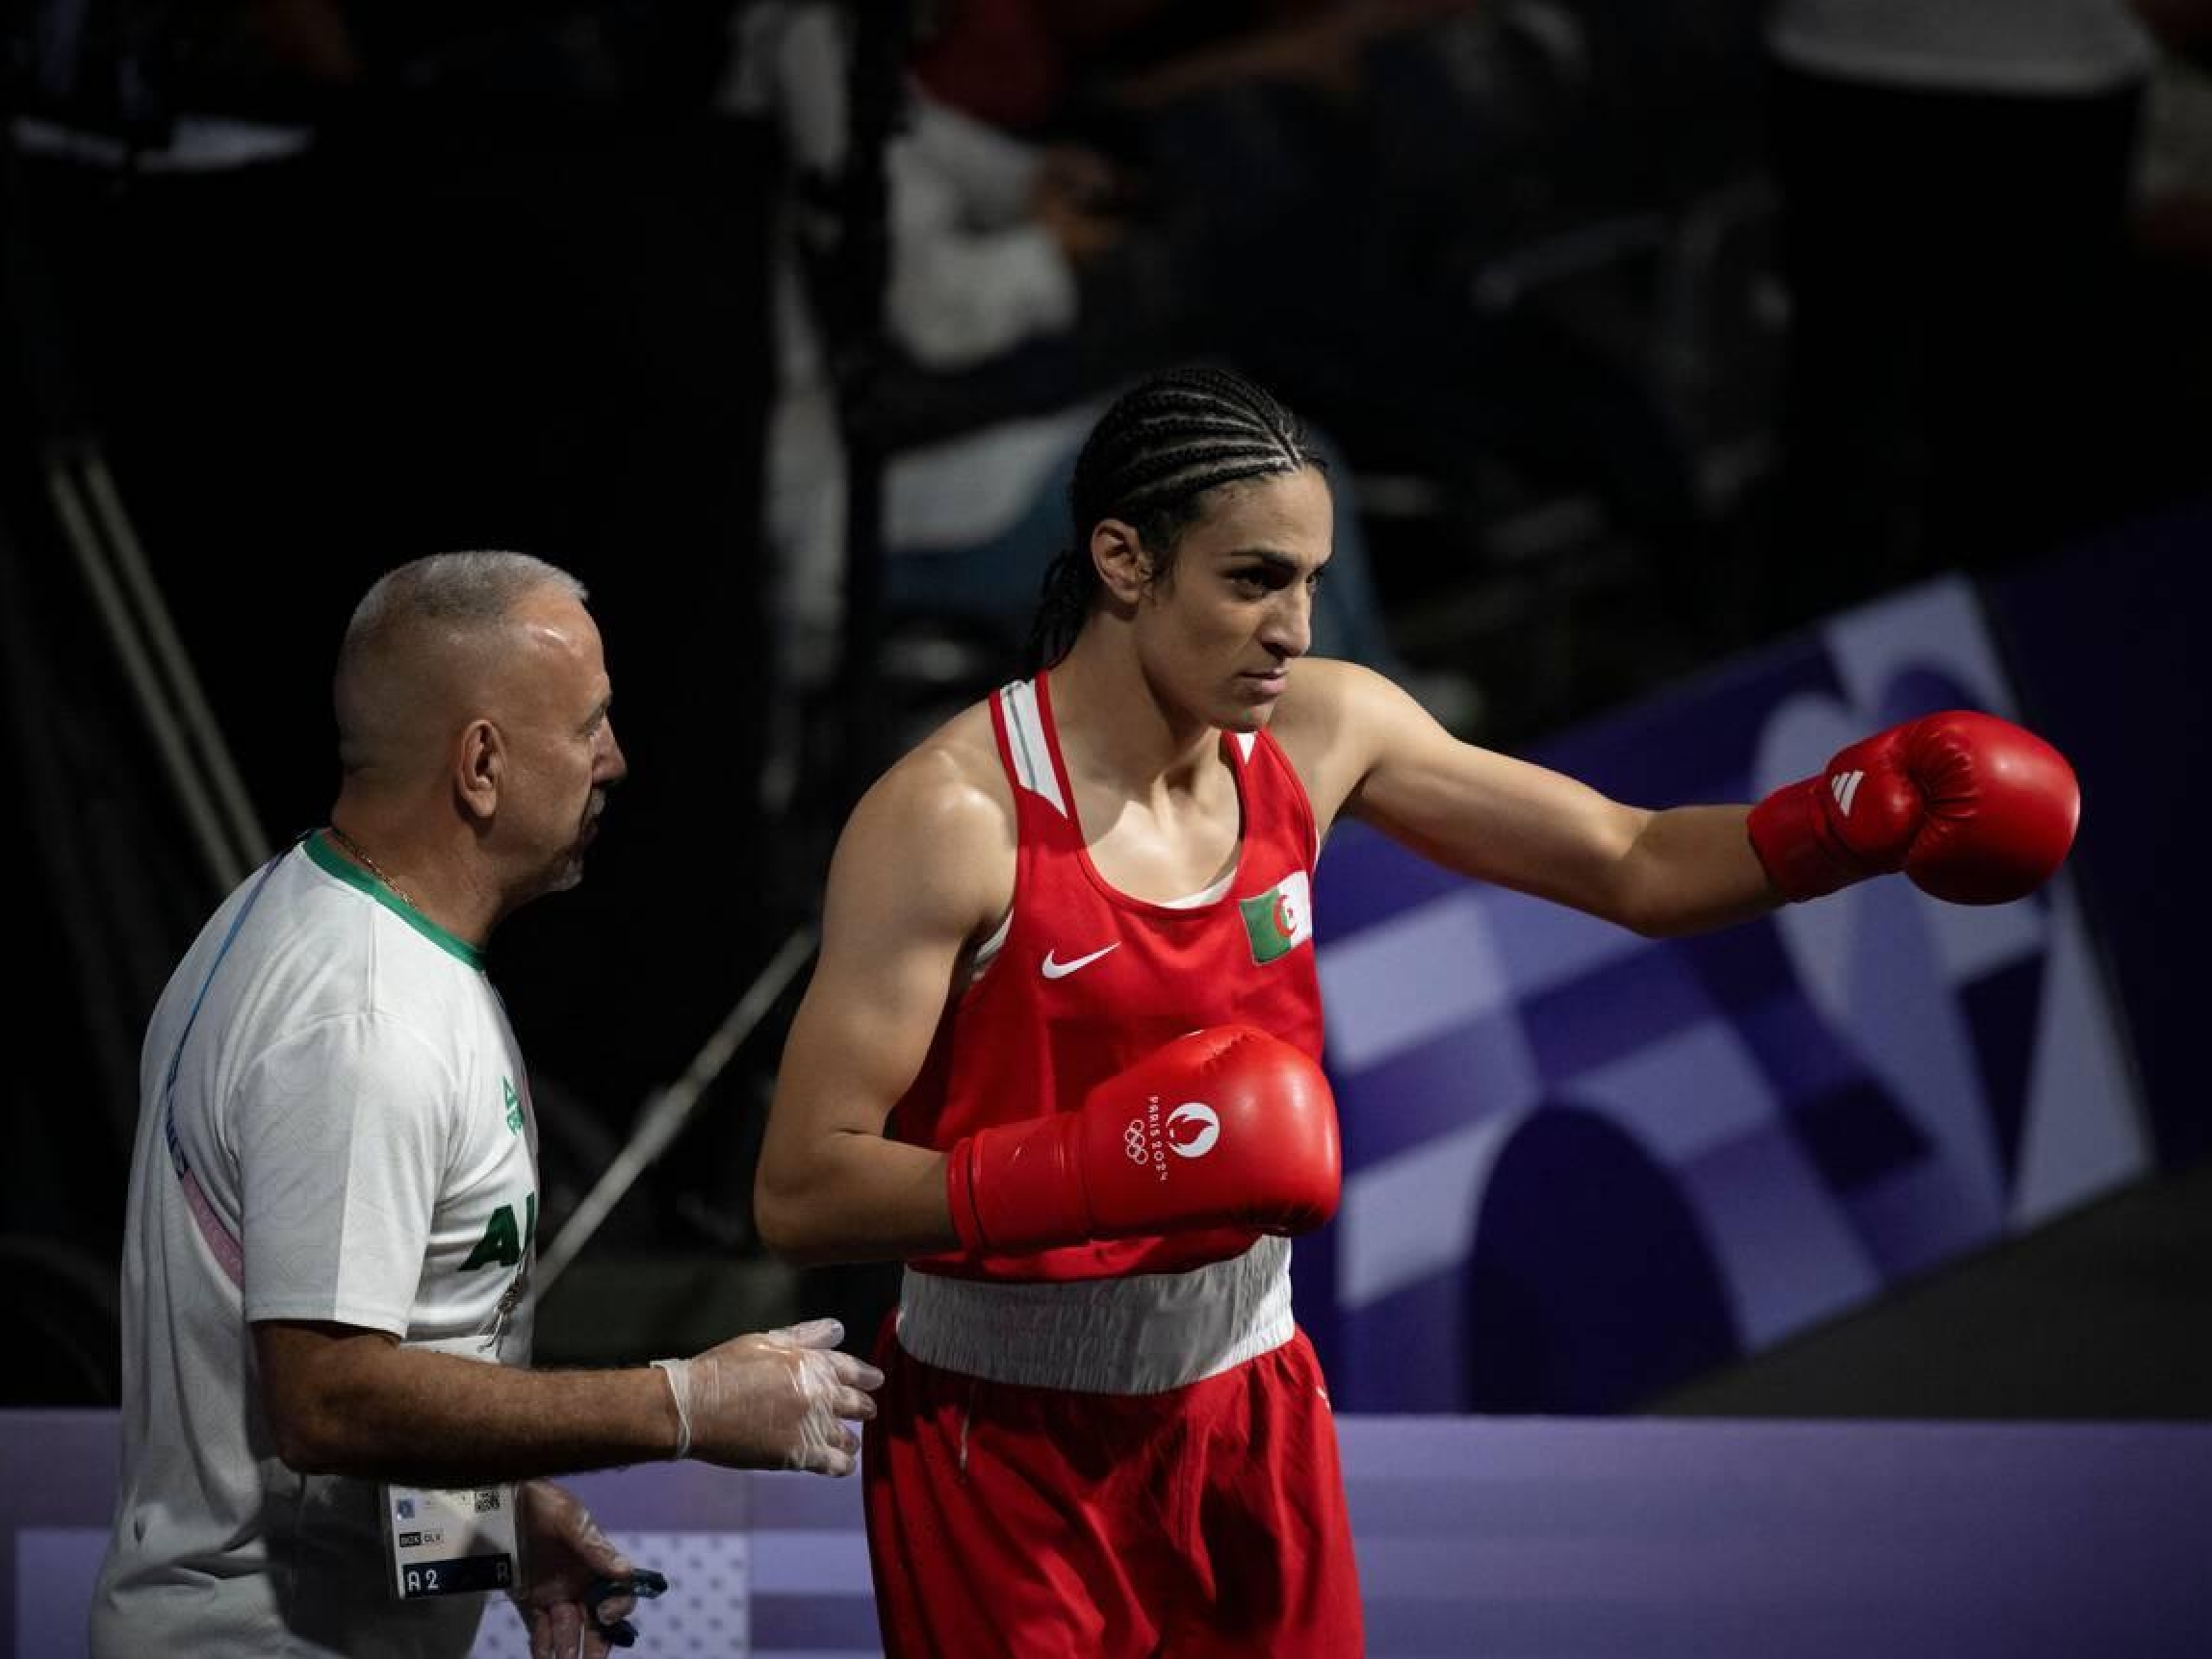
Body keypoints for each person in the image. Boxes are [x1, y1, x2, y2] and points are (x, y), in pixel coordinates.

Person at [753, 365, 2082, 1655]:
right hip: (1005, 1443)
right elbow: (803, 1190)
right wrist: (1093, 1171)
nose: (1296, 630)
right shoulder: (951, 818)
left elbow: (1630, 862)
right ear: (1121, 560)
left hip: (1249, 1404)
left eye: (1312, 581)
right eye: (1252, 580)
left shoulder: (1321, 733)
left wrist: (1844, 826)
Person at [90, 550, 884, 1658]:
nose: (617, 758)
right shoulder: (367, 1021)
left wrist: (498, 1516)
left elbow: (369, 1365)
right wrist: (690, 1401)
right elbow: (328, 1398)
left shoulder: (305, 922)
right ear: (480, 763)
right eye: (589, 725)